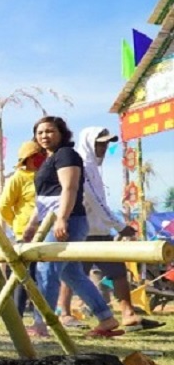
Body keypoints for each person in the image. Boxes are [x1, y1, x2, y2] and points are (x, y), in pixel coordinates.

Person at [23, 116, 123, 337]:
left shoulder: (66, 155)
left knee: (47, 269)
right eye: (40, 132)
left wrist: (62, 218)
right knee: (72, 273)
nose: (44, 136)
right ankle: (106, 318)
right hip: (54, 219)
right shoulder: (49, 159)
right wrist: (31, 225)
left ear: (62, 133)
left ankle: (42, 324)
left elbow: (70, 188)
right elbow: (45, 197)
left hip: (68, 220)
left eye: (50, 131)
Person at [69, 126, 163, 331]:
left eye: (105, 144)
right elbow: (94, 201)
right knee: (71, 274)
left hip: (100, 232)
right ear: (88, 143)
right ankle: (64, 314)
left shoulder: (94, 168)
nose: (103, 147)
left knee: (118, 273)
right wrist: (120, 226)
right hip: (83, 231)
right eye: (99, 143)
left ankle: (128, 315)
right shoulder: (82, 166)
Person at [0, 140, 45, 327]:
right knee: (23, 276)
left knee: (42, 277)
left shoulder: (46, 174)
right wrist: (17, 224)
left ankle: (40, 317)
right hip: (25, 234)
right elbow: (4, 206)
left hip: (46, 232)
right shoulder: (18, 177)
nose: (38, 158)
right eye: (35, 156)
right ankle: (17, 316)